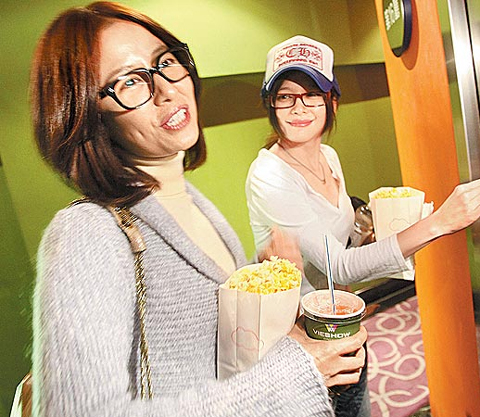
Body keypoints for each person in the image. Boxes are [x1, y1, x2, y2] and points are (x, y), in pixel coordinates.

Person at [30, 5, 368, 416]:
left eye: (165, 62)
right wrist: (297, 369)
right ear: (87, 113)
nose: (166, 89)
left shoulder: (189, 199)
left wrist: (263, 278)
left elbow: (204, 338)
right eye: (130, 81)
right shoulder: (85, 232)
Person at [245, 35, 480, 417]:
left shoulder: (327, 155)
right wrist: (440, 222)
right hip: (304, 339)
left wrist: (364, 235)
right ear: (271, 104)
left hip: (345, 319)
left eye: (311, 94)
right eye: (285, 96)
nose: (298, 107)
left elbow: (339, 240)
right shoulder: (269, 175)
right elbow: (337, 266)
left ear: (332, 101)